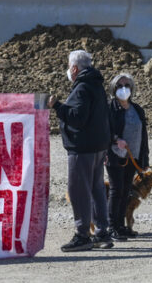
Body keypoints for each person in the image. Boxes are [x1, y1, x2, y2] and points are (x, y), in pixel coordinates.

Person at [47, 50, 114, 252]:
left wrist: (57, 106)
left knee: (79, 191)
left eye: (69, 66)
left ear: (74, 68)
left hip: (82, 148)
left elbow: (77, 117)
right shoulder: (97, 85)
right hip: (98, 146)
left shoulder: (82, 87)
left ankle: (82, 234)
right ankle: (102, 232)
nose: (68, 70)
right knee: (97, 189)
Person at [106, 73, 149, 240]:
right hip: (115, 155)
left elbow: (143, 136)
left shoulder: (137, 109)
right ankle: (112, 227)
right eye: (119, 85)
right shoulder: (109, 108)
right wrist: (115, 139)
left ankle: (120, 226)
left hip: (133, 157)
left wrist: (144, 159)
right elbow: (104, 130)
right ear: (113, 88)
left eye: (127, 85)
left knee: (125, 190)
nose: (123, 89)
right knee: (116, 190)